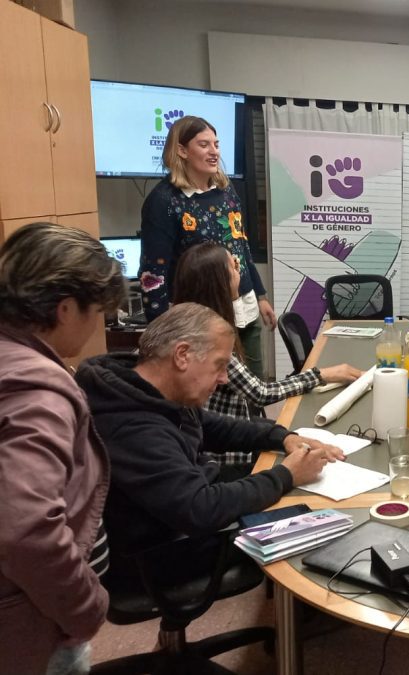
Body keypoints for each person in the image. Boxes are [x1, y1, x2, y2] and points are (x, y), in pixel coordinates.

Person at [75, 303, 341, 587]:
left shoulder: (150, 390)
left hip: (180, 509)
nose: (224, 378)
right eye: (219, 365)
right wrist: (286, 475)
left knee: (292, 492)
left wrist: (284, 437)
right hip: (160, 553)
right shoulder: (132, 427)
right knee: (319, 524)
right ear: (182, 355)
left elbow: (214, 426)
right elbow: (200, 509)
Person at [0, 223, 127, 675]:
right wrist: (87, 608)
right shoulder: (39, 393)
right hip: (33, 625)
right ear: (66, 308)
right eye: (98, 312)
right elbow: (26, 529)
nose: (97, 326)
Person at [172, 242, 361, 452]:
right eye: (234, 266)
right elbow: (260, 392)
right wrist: (321, 375)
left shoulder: (195, 320)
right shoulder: (207, 335)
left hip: (236, 430)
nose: (240, 272)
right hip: (229, 448)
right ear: (217, 281)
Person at [139, 115, 275, 377]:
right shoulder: (163, 201)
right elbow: (153, 274)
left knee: (254, 387)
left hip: (244, 306)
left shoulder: (226, 190)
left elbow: (240, 244)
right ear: (182, 150)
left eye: (216, 144)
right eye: (204, 145)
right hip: (200, 318)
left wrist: (260, 295)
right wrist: (159, 332)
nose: (214, 152)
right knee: (211, 388)